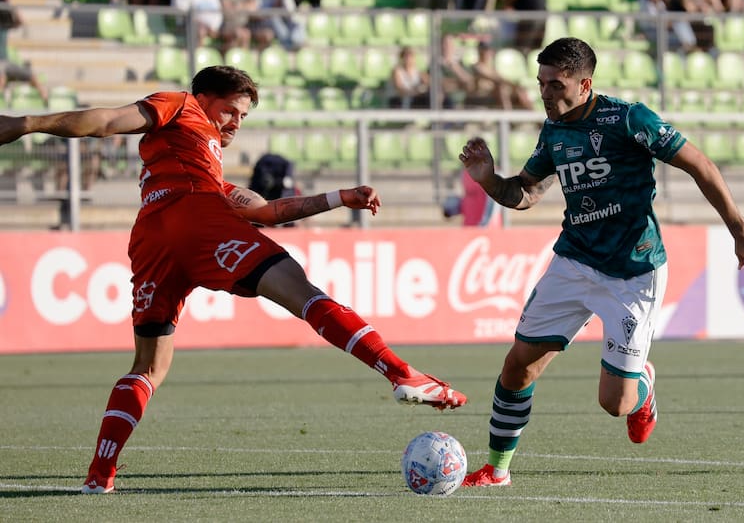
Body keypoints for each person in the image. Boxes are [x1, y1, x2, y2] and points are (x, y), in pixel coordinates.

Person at [0, 65, 467, 494]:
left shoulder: (201, 167)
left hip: (152, 237)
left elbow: (267, 211)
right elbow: (106, 122)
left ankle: (99, 476)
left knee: (148, 367)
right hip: (194, 219)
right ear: (203, 97)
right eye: (230, 111)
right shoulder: (179, 104)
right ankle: (400, 372)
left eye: (243, 117)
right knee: (302, 293)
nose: (236, 124)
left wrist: (339, 196)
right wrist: (25, 125)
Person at [457, 37, 744, 487]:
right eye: (541, 83)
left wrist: (737, 228)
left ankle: (643, 382)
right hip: (575, 261)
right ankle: (497, 469)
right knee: (517, 366)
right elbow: (525, 192)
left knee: (615, 404)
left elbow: (699, 164)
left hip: (633, 271)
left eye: (556, 84)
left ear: (585, 84)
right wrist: (488, 180)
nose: (545, 93)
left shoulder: (628, 119)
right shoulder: (554, 130)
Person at [0, 0, 48, 103]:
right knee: (1, 77)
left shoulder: (4, 18)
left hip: (6, 62)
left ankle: (46, 102)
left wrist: (9, 5)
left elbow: (21, 21)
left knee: (32, 76)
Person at [470, 41, 532, 111]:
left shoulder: (492, 65)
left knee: (520, 91)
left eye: (487, 50)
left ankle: (534, 116)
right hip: (482, 92)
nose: (486, 53)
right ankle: (508, 116)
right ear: (479, 51)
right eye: (484, 50)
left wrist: (515, 86)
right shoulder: (477, 67)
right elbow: (495, 79)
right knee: (501, 88)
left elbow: (499, 78)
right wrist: (512, 85)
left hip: (494, 91)